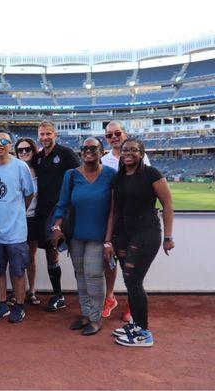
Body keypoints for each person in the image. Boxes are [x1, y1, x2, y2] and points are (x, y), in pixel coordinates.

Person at [110, 138, 174, 347]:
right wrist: (108, 239)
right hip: (123, 234)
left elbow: (167, 204)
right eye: (125, 150)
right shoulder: (118, 177)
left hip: (146, 231)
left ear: (141, 153)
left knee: (134, 281)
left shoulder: (151, 174)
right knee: (130, 282)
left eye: (134, 150)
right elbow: (114, 211)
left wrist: (168, 237)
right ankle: (136, 325)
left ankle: (144, 333)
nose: (128, 153)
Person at [51, 137, 117, 335]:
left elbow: (115, 210)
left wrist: (109, 239)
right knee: (80, 275)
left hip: (99, 236)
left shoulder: (111, 175)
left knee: (94, 275)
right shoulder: (71, 175)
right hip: (75, 236)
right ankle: (86, 314)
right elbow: (62, 205)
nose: (88, 151)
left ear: (101, 151)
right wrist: (57, 225)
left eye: (93, 148)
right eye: (84, 148)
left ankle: (96, 318)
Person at [101, 120, 151, 321]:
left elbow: (147, 186)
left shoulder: (140, 156)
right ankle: (110, 297)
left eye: (117, 133)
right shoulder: (104, 160)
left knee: (133, 266)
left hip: (135, 222)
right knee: (109, 261)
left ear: (125, 133)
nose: (114, 137)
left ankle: (133, 303)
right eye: (109, 135)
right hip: (111, 219)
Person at [0, 130, 35, 323]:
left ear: (10, 145)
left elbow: (29, 194)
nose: (0, 144)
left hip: (17, 231)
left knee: (17, 271)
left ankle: (19, 306)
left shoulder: (20, 167)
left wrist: (18, 212)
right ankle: (3, 303)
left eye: (4, 141)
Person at [31, 120, 80, 312]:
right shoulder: (39, 157)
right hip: (44, 212)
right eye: (42, 134)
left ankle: (86, 295)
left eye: (48, 134)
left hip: (64, 212)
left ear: (55, 135)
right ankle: (58, 295)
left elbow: (79, 176)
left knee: (75, 251)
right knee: (51, 252)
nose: (45, 138)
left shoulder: (66, 153)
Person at [14, 137, 41, 306]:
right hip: (16, 219)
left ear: (33, 151)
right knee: (17, 257)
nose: (24, 152)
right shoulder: (14, 169)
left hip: (33, 218)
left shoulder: (40, 170)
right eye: (20, 150)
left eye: (27, 149)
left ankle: (31, 290)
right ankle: (19, 292)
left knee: (30, 257)